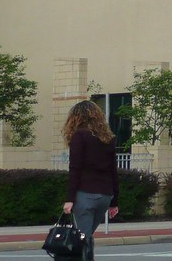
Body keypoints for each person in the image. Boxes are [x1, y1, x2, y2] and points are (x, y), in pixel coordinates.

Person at [61, 101, 119, 261]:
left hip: (85, 195)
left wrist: (69, 199)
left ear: (76, 117)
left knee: (83, 240)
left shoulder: (79, 136)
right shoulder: (108, 138)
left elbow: (75, 169)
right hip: (105, 196)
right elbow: (113, 170)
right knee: (86, 237)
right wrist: (114, 201)